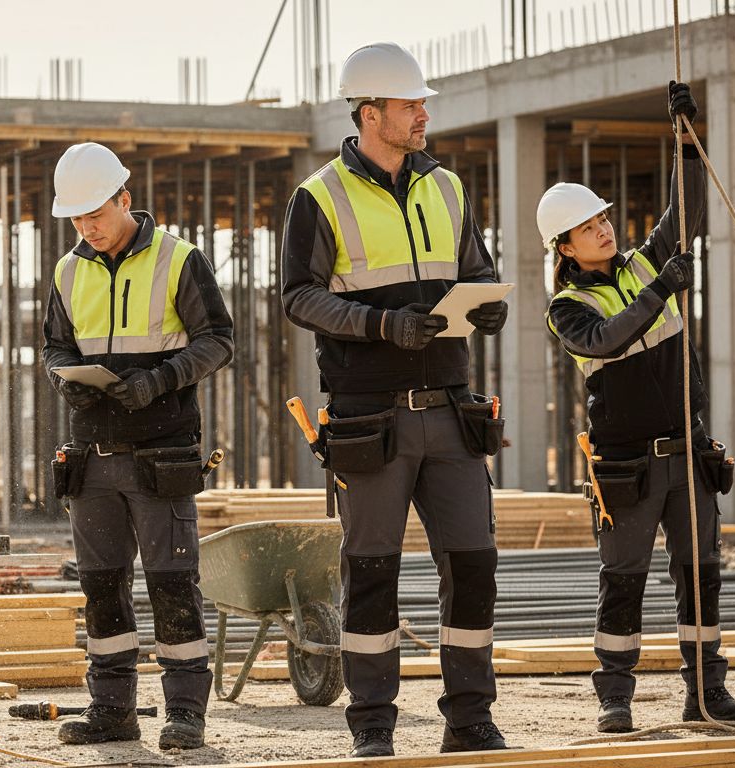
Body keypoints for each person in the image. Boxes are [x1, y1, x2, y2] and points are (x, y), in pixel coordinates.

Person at [282, 42, 510, 758]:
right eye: (412, 105)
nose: (424, 114)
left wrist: (487, 303)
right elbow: (297, 296)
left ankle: (470, 719)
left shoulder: (447, 187)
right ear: (371, 111)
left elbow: (475, 267)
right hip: (370, 419)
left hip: (451, 407)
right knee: (372, 575)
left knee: (472, 565)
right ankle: (373, 727)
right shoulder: (317, 197)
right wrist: (382, 323)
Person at [542, 81, 735, 733]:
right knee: (623, 582)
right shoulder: (567, 310)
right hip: (627, 467)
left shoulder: (641, 265)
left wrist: (685, 140)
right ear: (565, 248)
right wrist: (664, 287)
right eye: (588, 228)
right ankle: (615, 697)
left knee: (702, 577)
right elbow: (609, 340)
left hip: (686, 453)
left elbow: (684, 212)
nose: (604, 230)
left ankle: (707, 692)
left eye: (604, 219)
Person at [41, 142, 234, 750]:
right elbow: (55, 347)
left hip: (161, 456)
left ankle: (184, 711)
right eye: (76, 219)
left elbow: (219, 340)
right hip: (92, 455)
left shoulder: (180, 260)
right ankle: (112, 708)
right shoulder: (68, 271)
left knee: (173, 582)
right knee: (101, 585)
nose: (88, 228)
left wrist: (159, 379)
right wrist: (64, 380)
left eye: (96, 213)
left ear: (126, 198)